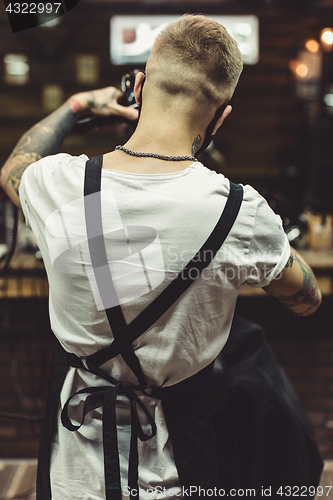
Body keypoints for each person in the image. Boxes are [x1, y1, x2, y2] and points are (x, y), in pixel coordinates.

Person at [0, 14, 321, 500]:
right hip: (182, 463)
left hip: (73, 471)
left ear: (141, 86)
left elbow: (13, 169)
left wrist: (76, 106)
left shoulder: (58, 184)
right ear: (221, 116)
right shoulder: (240, 211)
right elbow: (306, 299)